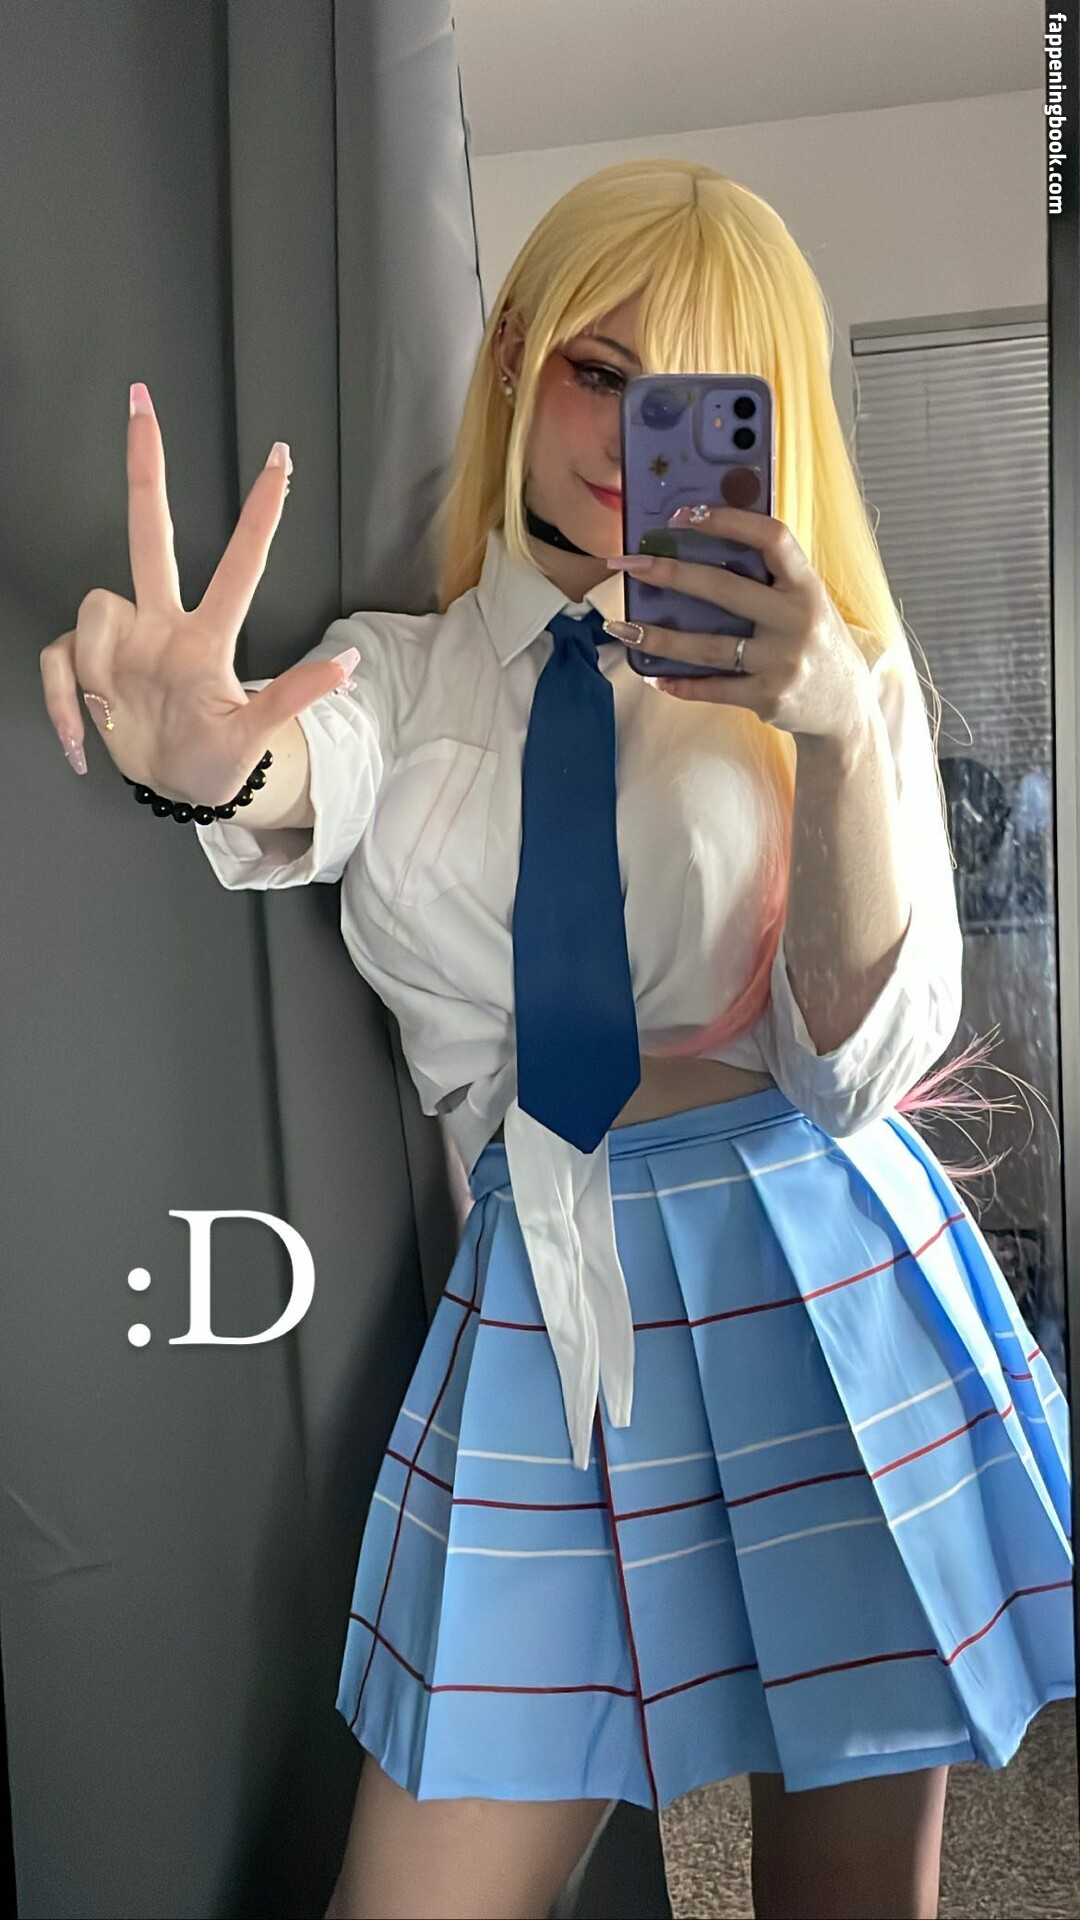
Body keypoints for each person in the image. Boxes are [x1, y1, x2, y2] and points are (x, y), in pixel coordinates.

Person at [40, 161, 1073, 1920]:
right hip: (548, 1291)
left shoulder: (843, 680)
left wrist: (831, 731)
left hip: (815, 1269)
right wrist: (197, 760)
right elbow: (288, 764)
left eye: (700, 401)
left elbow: (855, 1067)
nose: (627, 438)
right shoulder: (398, 675)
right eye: (603, 372)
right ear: (518, 350)